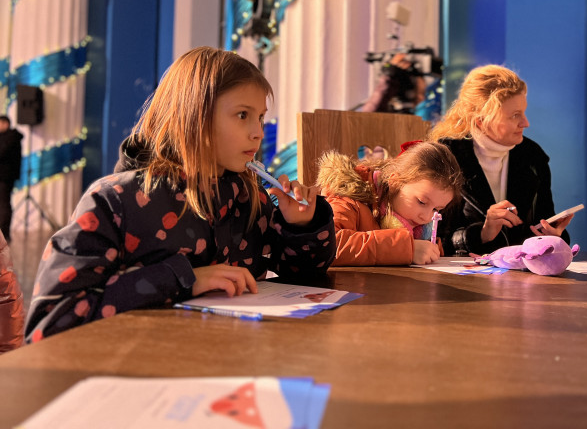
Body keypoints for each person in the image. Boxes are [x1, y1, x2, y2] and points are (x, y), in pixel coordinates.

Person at [24, 47, 336, 342]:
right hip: (143, 367)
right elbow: (52, 321)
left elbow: (303, 277)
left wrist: (300, 226)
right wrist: (184, 279)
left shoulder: (249, 196)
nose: (258, 132)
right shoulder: (116, 201)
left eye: (261, 117)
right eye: (243, 115)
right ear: (194, 117)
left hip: (229, 357)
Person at [429, 65, 572, 256]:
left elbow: (542, 220)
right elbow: (432, 238)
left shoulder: (533, 156)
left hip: (521, 271)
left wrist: (553, 237)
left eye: (524, 112)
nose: (526, 123)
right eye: (515, 115)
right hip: (463, 272)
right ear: (481, 120)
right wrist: (482, 234)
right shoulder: (444, 156)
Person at [316, 140, 463, 266]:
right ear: (394, 183)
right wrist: (405, 249)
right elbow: (326, 244)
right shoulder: (349, 198)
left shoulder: (422, 230)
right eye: (422, 202)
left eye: (436, 209)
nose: (426, 217)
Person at [0, 115, 23, 244]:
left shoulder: (11, 137)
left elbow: (2, 152)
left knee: (3, 204)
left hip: (5, 177)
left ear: (5, 124)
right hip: (5, 176)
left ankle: (4, 233)